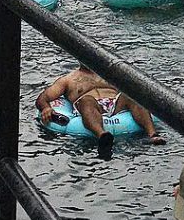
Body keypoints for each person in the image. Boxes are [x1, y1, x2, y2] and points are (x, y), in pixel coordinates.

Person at [35, 62, 165, 157]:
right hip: (88, 106)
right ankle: (102, 135)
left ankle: (153, 135)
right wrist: (46, 108)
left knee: (131, 96)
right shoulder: (68, 80)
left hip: (114, 104)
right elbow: (43, 97)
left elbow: (134, 86)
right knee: (87, 100)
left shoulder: (110, 74)